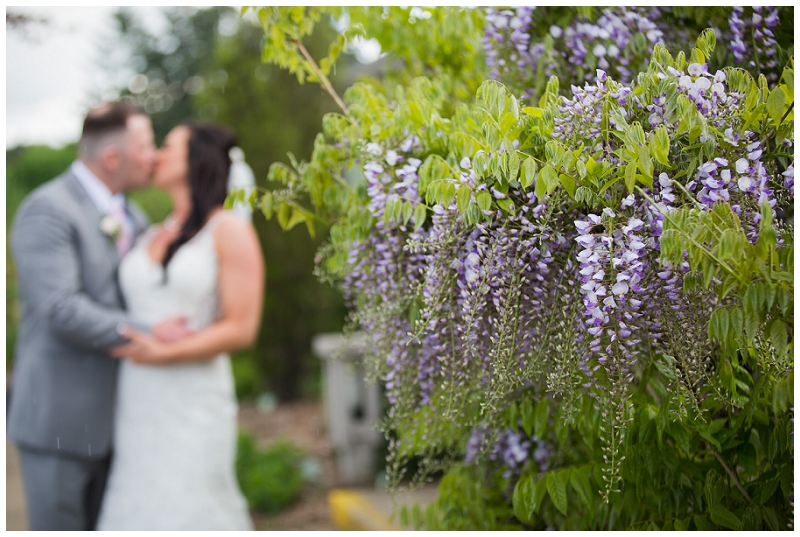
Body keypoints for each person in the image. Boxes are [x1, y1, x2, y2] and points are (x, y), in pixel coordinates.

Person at [7, 102, 190, 530]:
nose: (154, 157)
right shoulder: (46, 209)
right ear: (112, 158)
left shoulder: (134, 215)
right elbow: (60, 308)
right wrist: (151, 333)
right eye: (146, 145)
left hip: (118, 424)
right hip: (59, 422)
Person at [95, 122, 264, 530]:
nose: (155, 156)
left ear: (195, 160)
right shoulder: (148, 229)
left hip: (192, 399)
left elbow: (242, 328)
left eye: (166, 146)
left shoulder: (229, 230)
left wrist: (163, 352)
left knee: (191, 504)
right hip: (137, 399)